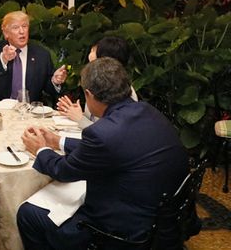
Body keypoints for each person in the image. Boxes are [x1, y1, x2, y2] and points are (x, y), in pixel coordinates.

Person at [17, 57, 189, 250]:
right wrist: (58, 141)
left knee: (28, 213)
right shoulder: (146, 110)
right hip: (164, 219)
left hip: (122, 231)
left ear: (89, 94)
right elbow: (112, 148)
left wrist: (40, 149)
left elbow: (64, 171)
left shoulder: (104, 132)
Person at [0, 11, 67, 102]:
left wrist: (55, 81)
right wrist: (3, 59)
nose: (22, 31)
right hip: (2, 111)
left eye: (24, 26)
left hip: (30, 111)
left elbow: (48, 88)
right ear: (6, 33)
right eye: (16, 27)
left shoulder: (42, 54)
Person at [57, 36, 138, 128]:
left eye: (94, 51)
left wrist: (80, 118)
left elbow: (110, 132)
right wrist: (75, 111)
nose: (90, 54)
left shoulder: (122, 91)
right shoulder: (97, 81)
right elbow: (93, 120)